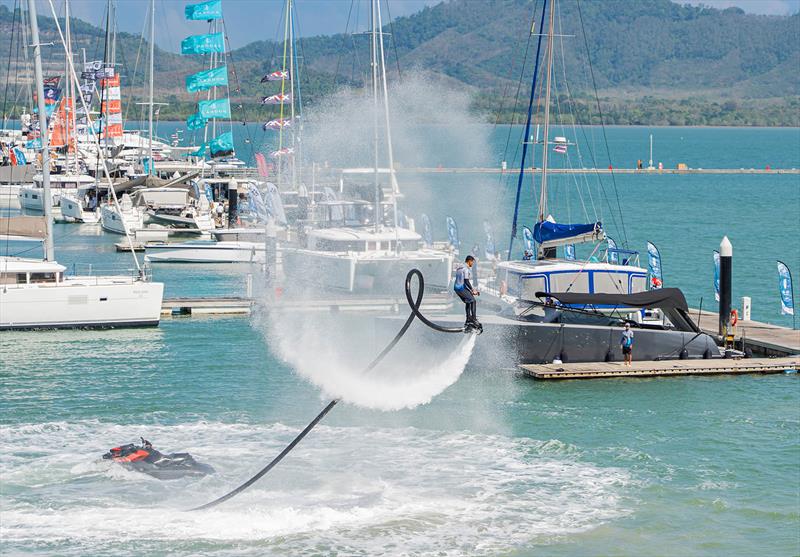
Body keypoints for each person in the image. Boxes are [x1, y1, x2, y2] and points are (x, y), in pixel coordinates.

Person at [454, 255, 479, 328]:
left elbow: (460, 281)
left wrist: (470, 291)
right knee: (473, 301)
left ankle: (468, 320)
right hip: (461, 288)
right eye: (472, 262)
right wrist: (472, 290)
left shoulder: (459, 267)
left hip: (457, 289)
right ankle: (473, 319)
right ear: (469, 261)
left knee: (468, 301)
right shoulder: (465, 269)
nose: (473, 264)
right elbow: (466, 281)